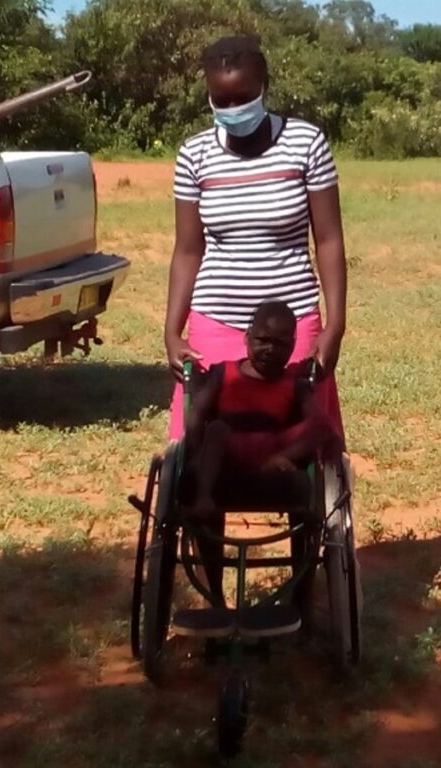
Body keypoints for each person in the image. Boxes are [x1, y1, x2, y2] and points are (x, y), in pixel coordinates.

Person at [164, 34, 346, 446]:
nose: (231, 109)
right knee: (203, 455)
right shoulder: (194, 155)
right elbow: (188, 250)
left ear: (264, 88)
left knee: (301, 456)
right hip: (216, 324)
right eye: (220, 100)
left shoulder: (306, 143)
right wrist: (173, 331)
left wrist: (335, 326)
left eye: (242, 98)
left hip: (291, 328)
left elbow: (330, 240)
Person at [185, 300, 336, 524]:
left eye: (280, 344)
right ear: (247, 337)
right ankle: (204, 498)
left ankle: (279, 462)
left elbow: (319, 425)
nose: (270, 350)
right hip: (230, 448)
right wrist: (194, 455)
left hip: (273, 447)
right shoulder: (224, 372)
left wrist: (285, 454)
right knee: (216, 429)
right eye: (263, 340)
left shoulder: (294, 383)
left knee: (323, 426)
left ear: (293, 345)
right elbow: (197, 414)